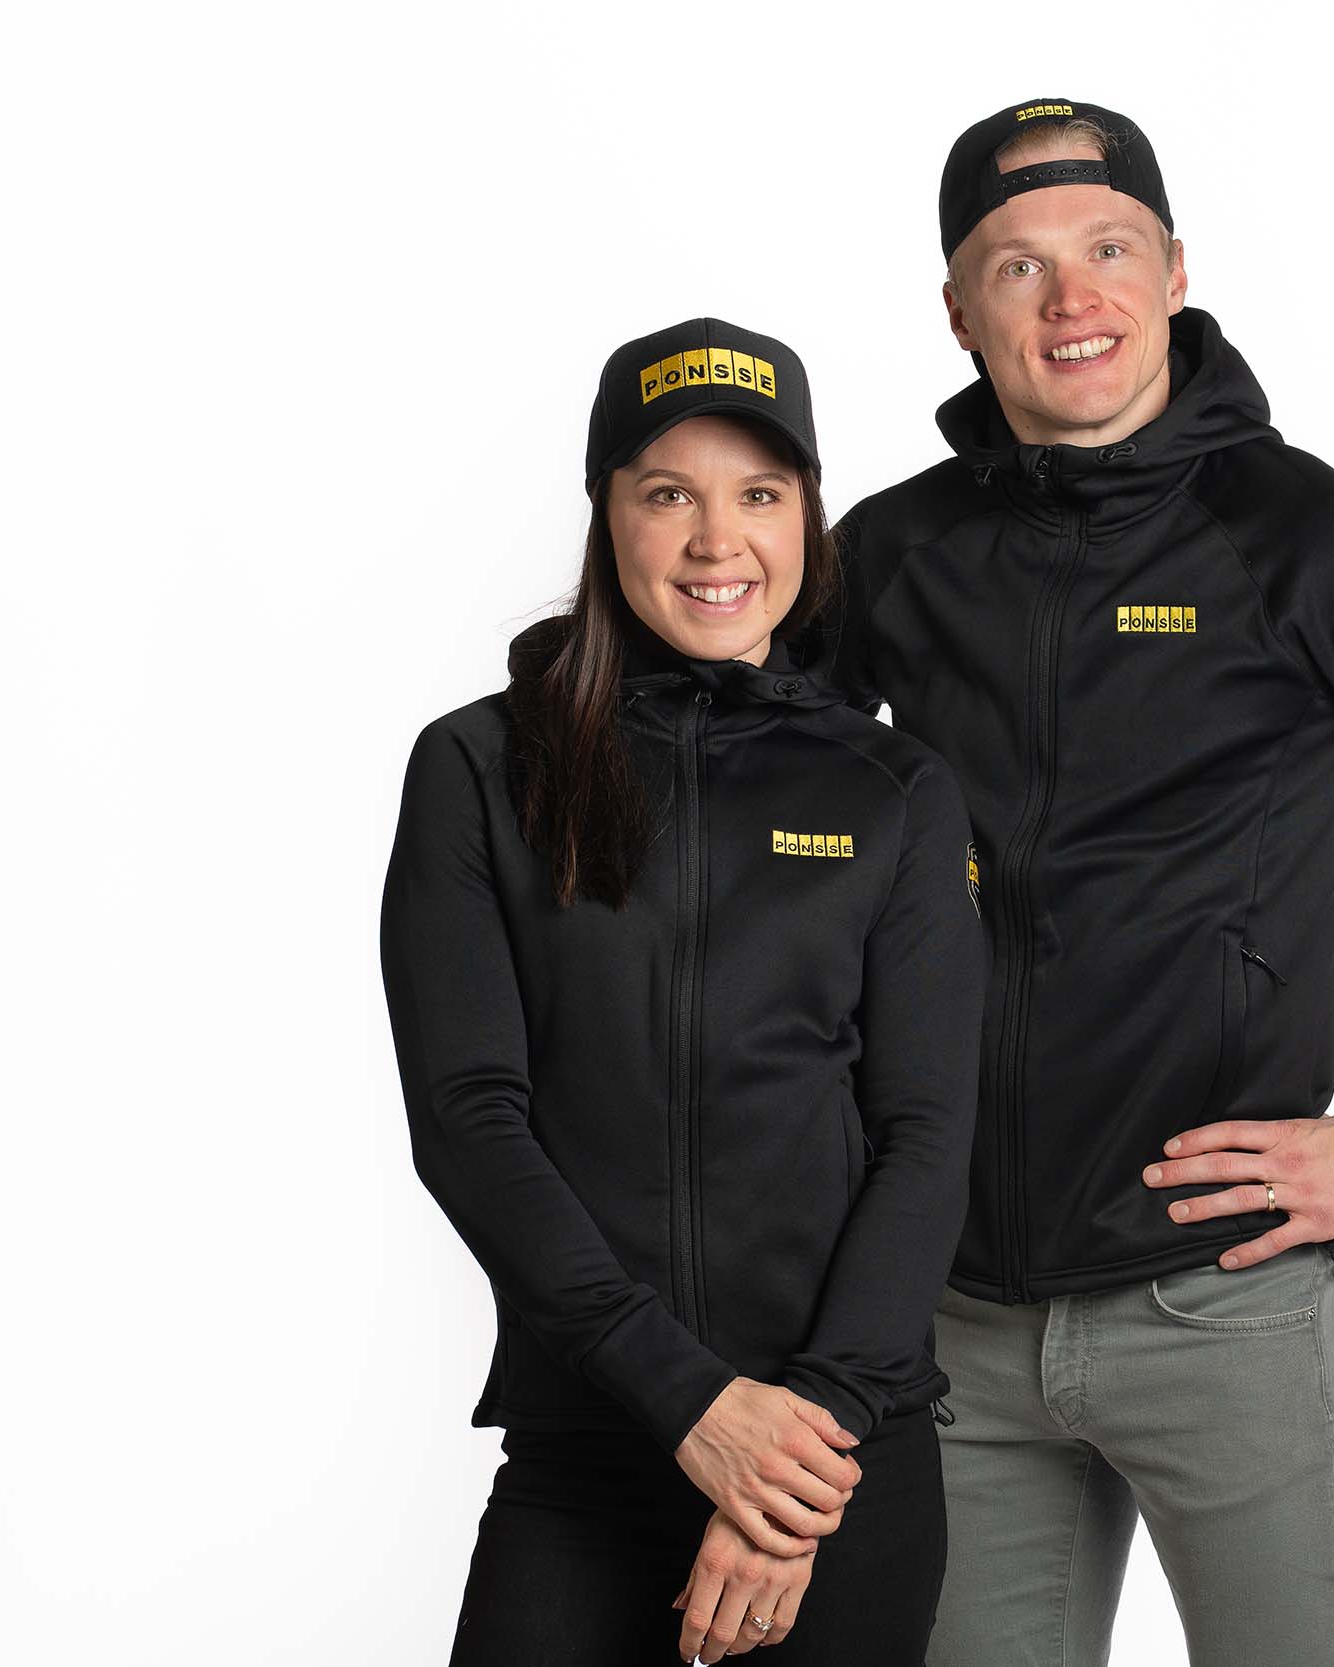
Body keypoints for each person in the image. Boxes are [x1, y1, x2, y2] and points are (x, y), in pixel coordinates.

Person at [828, 100, 1334, 1665]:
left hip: (1217, 1304)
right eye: (1018, 265)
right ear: (959, 311)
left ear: (1174, 272)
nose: (1072, 298)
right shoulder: (895, 555)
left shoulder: (1307, 544)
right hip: (950, 1330)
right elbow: (735, 813)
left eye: (1108, 249)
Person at [379, 317, 985, 1665]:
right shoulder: (480, 769)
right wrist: (693, 1405)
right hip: (592, 1454)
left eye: (760, 495)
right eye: (669, 494)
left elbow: (927, 1132)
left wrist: (798, 1455)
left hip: (838, 1464)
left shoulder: (892, 790)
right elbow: (470, 1119)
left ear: (807, 515)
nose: (720, 542)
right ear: (608, 515)